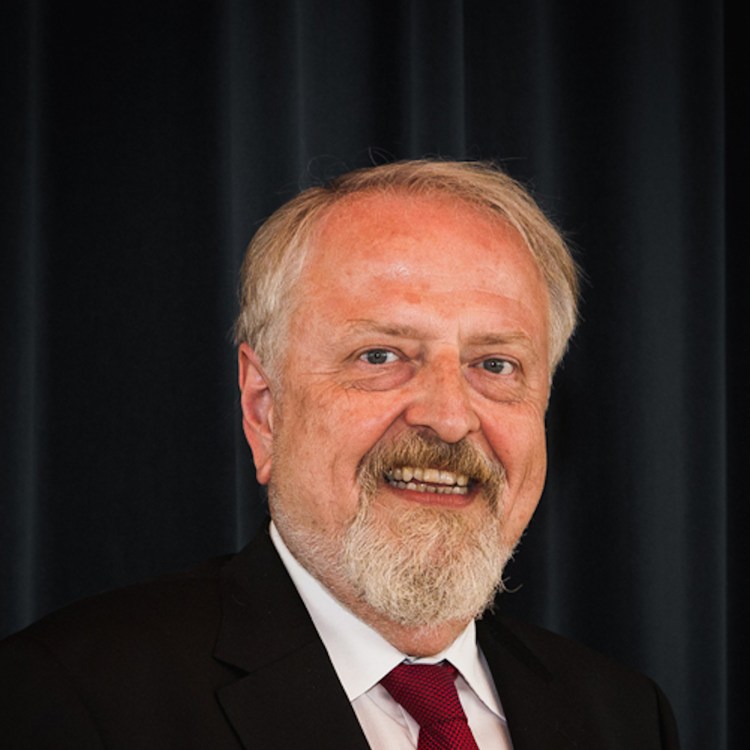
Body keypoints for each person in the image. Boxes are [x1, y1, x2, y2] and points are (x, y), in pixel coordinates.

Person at [0, 160, 679, 748]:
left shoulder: (624, 716)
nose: (449, 418)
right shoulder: (70, 700)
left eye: (495, 365)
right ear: (264, 409)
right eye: (381, 356)